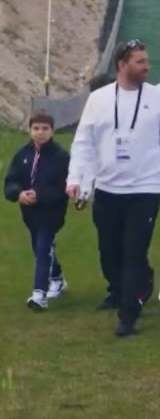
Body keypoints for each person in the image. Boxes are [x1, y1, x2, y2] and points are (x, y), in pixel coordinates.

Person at [66, 39, 160, 337]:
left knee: (133, 252)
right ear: (122, 64)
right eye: (140, 61)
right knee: (109, 252)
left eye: (146, 60)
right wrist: (76, 178)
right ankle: (123, 290)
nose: (147, 66)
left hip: (144, 190)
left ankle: (128, 316)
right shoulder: (98, 99)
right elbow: (84, 142)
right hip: (107, 189)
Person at [4, 112, 69, 311]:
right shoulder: (22, 154)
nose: (40, 133)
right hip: (30, 214)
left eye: (45, 128)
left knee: (42, 249)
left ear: (52, 131)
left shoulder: (61, 157)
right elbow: (11, 180)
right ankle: (57, 278)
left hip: (51, 212)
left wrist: (39, 195)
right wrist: (18, 193)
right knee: (40, 247)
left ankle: (39, 294)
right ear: (30, 130)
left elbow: (63, 187)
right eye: (36, 128)